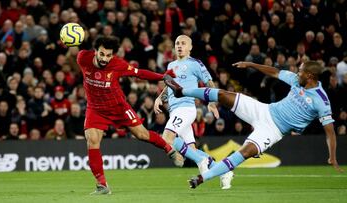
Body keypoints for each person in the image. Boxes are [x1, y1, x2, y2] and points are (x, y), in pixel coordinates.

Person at [163, 60, 343, 189]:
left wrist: (332, 157)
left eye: (301, 71)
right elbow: (274, 72)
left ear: (310, 76)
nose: (298, 74)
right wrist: (250, 64)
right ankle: (181, 91)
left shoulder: (321, 101)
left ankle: (202, 178)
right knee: (224, 95)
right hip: (263, 111)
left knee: (245, 152)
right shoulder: (297, 80)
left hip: (273, 130)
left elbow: (330, 132)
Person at [76, 36, 183, 195]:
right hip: (96, 109)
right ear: (95, 52)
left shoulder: (117, 64)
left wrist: (162, 77)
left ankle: (169, 149)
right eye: (102, 54)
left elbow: (139, 73)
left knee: (142, 134)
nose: (105, 58)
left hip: (118, 107)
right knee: (92, 140)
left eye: (108, 55)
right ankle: (102, 185)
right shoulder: (83, 58)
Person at [154, 35, 233, 190]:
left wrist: (211, 101)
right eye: (177, 43)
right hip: (175, 111)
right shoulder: (171, 64)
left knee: (167, 138)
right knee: (192, 150)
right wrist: (159, 98)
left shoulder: (195, 64)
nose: (179, 46)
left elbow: (209, 81)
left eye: (183, 43)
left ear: (190, 47)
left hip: (186, 109)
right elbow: (170, 85)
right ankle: (223, 171)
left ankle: (201, 161)